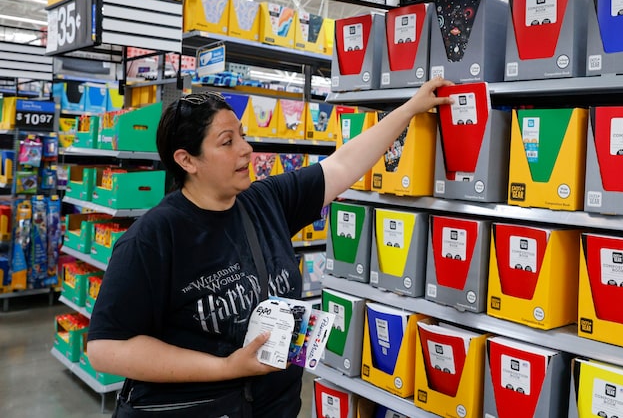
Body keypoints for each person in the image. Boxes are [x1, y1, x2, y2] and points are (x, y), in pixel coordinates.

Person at [87, 77, 453, 417]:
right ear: (187, 160)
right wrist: (225, 367)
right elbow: (106, 349)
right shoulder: (153, 238)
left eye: (242, 136)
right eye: (227, 142)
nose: (247, 150)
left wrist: (409, 109)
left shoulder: (266, 201)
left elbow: (342, 165)